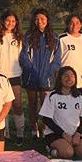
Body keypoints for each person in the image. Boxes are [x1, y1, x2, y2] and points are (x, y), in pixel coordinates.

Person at [20, 8, 60, 139]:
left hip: (46, 78)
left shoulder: (55, 38)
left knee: (45, 106)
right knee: (32, 104)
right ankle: (33, 129)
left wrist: (49, 72)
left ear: (47, 20)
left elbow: (57, 60)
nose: (40, 21)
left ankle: (45, 129)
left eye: (42, 19)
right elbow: (24, 56)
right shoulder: (29, 36)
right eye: (37, 19)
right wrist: (31, 70)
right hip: (31, 76)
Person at [39, 66, 82, 159]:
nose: (69, 78)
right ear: (60, 78)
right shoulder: (52, 96)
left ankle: (70, 146)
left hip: (74, 133)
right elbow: (46, 119)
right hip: (56, 134)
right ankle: (50, 149)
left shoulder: (79, 98)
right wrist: (63, 134)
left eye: (72, 76)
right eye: (66, 76)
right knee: (68, 153)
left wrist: (77, 134)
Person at [0, 10, 24, 145]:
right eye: (8, 20)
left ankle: (20, 133)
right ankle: (5, 133)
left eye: (13, 21)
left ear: (16, 23)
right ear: (3, 21)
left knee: (17, 105)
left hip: (15, 75)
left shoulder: (19, 37)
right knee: (2, 106)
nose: (10, 23)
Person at [58, 14, 82, 97]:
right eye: (71, 23)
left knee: (81, 108)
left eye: (77, 23)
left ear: (81, 24)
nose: (75, 25)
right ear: (67, 25)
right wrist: (58, 80)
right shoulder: (61, 39)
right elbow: (56, 62)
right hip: (66, 82)